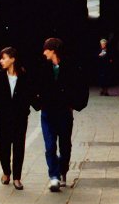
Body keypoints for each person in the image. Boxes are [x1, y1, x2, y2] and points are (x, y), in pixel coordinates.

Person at [33, 37, 88, 192]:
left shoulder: (70, 67)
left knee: (65, 147)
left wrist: (75, 104)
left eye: (46, 49)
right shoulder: (42, 67)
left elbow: (81, 86)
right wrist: (38, 103)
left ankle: (63, 171)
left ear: (54, 51)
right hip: (48, 113)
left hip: (64, 112)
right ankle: (54, 176)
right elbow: (33, 86)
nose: (44, 52)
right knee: (50, 146)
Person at [0, 46, 32, 190]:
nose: (1, 61)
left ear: (13, 59)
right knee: (3, 147)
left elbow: (29, 94)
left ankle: (17, 177)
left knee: (18, 147)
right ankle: (6, 172)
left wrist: (26, 109)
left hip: (19, 118)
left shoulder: (23, 76)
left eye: (4, 58)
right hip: (3, 118)